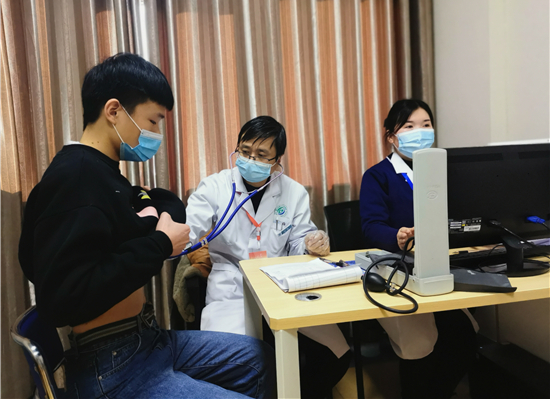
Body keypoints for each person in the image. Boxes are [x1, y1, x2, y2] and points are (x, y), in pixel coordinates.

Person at [18, 53, 275, 399]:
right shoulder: (75, 179)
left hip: (147, 340)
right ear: (114, 110)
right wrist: (159, 244)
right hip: (111, 364)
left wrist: (151, 221)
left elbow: (162, 201)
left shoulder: (104, 173)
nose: (156, 133)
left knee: (259, 359)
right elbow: (60, 298)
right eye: (152, 121)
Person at [184, 116, 351, 398]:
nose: (251, 159)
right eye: (245, 151)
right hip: (233, 286)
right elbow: (188, 228)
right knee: (231, 366)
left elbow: (299, 240)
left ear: (277, 160)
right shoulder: (214, 187)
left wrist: (311, 242)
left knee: (335, 355)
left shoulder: (293, 192)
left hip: (282, 285)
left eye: (261, 155)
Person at [359, 99, 478, 399]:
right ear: (391, 136)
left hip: (441, 265)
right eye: (409, 126)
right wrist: (397, 236)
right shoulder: (377, 176)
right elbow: (371, 226)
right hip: (398, 270)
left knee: (463, 338)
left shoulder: (445, 171)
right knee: (420, 345)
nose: (420, 132)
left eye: (426, 125)